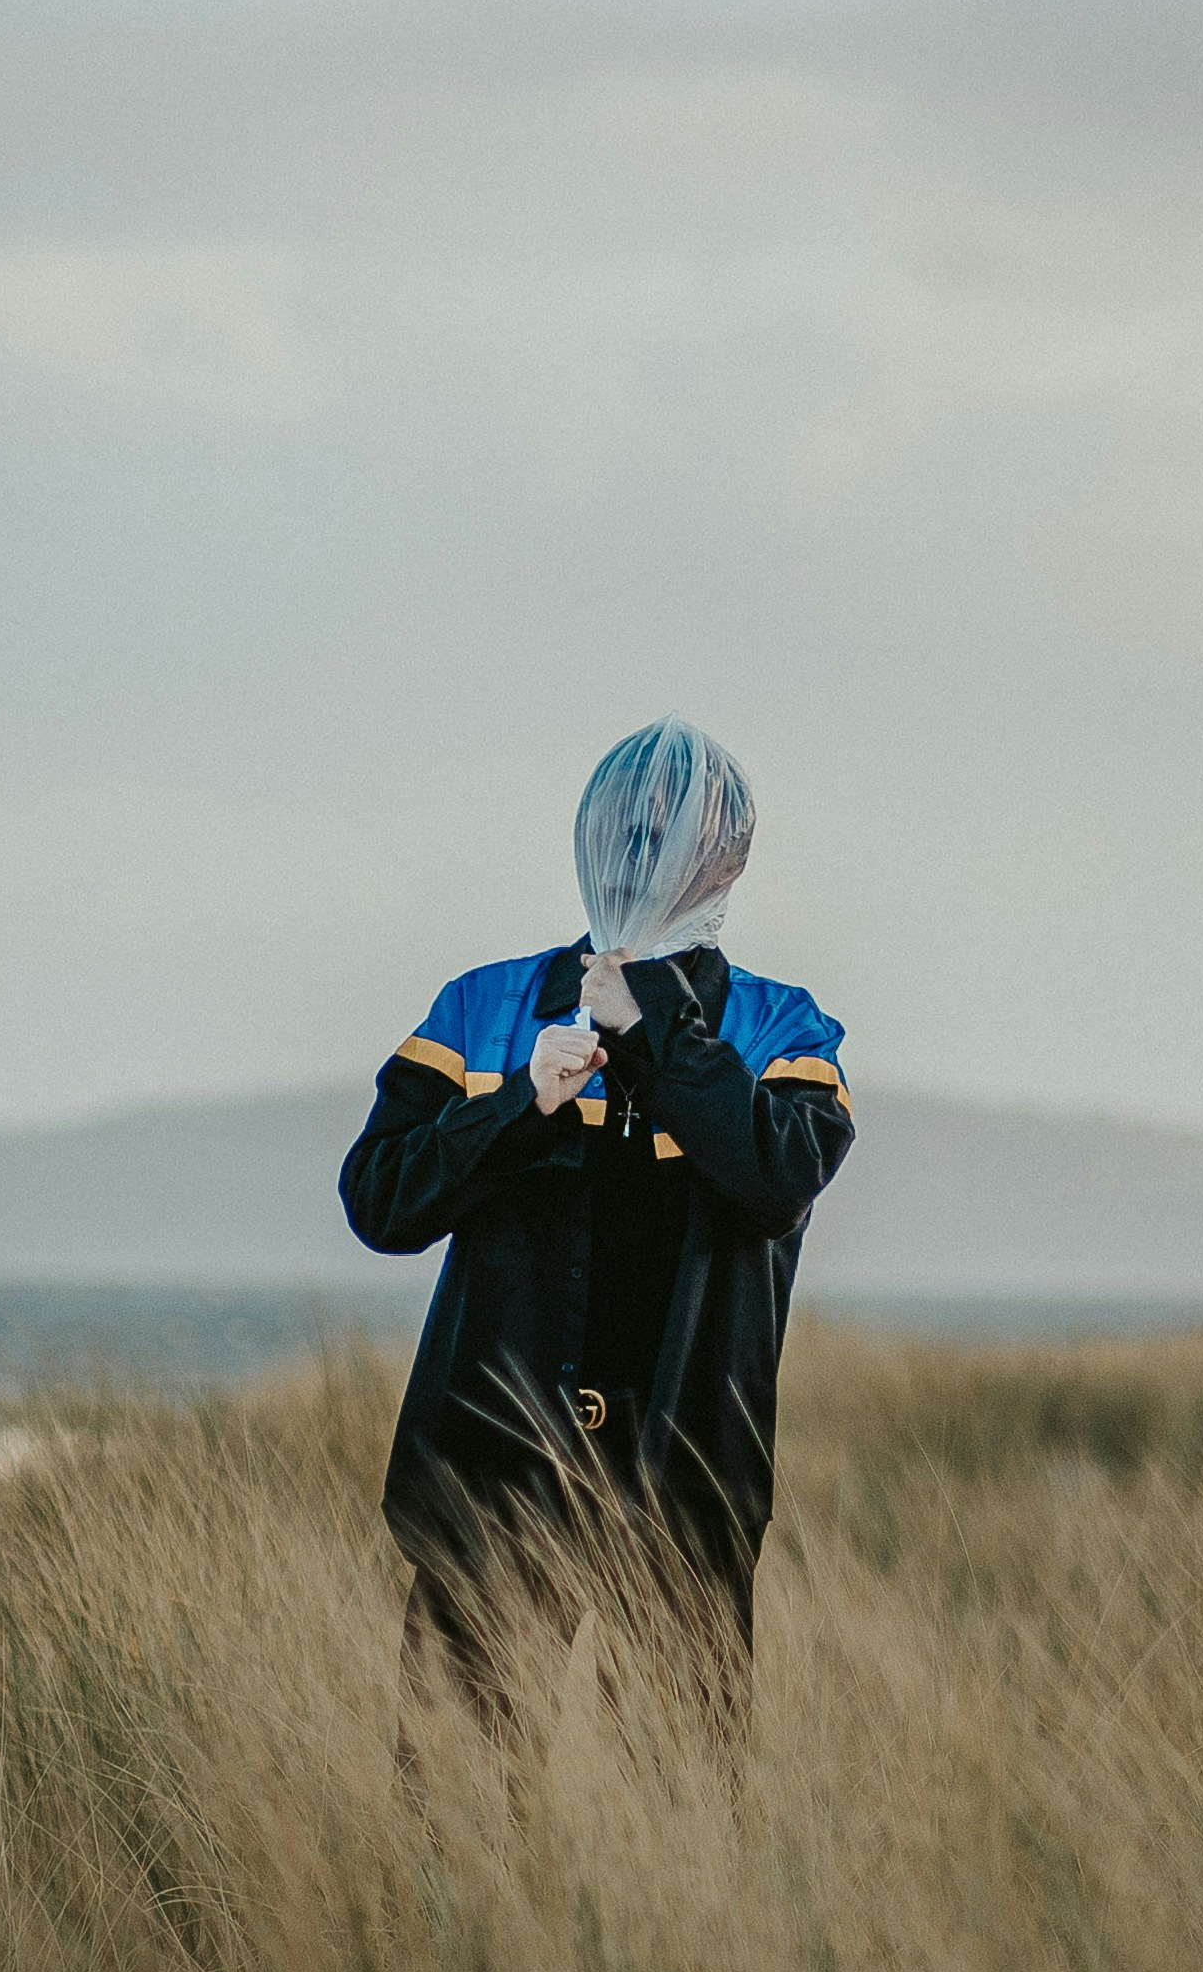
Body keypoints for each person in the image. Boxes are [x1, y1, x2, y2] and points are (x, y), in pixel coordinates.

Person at [336, 720, 851, 1744]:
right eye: (621, 829)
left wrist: (652, 1026)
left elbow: (777, 1179)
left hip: (683, 1484)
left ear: (728, 856)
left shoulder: (782, 1027)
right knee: (454, 1800)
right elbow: (380, 1202)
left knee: (677, 1814)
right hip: (493, 1476)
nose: (638, 854)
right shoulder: (481, 1008)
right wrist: (518, 1101)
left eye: (669, 832)